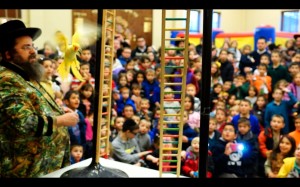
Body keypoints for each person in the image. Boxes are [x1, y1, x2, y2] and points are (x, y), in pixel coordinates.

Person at [0, 20, 79, 177]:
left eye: (32, 46)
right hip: (25, 171)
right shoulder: (6, 79)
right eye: (25, 47)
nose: (33, 51)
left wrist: (56, 111)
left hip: (44, 167)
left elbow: (31, 107)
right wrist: (61, 120)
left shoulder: (24, 73)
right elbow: (22, 123)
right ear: (8, 54)